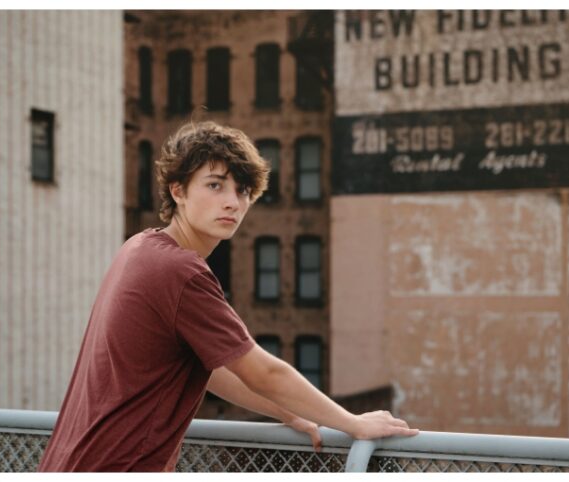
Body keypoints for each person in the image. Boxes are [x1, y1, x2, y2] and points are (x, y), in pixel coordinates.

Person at [39, 122, 417, 472]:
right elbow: (261, 370)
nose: (233, 202)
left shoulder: (140, 248)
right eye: (216, 185)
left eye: (243, 190)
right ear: (178, 190)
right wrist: (352, 423)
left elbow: (216, 368)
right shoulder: (180, 271)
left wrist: (287, 412)